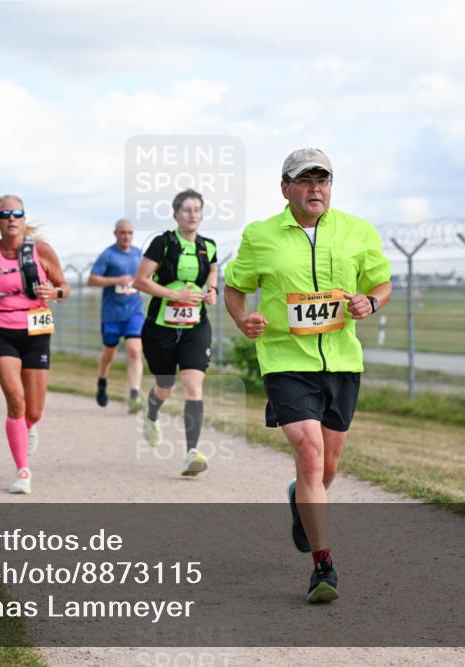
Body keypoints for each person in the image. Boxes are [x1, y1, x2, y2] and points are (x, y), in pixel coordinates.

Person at [223, 148, 392, 603]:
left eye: (323, 179)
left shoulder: (358, 231)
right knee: (311, 453)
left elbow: (381, 282)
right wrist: (243, 320)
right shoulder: (261, 235)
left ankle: (302, 496)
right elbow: (235, 288)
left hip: (341, 363)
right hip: (285, 361)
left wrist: (370, 302)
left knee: (326, 468)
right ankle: (324, 568)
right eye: (305, 180)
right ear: (285, 188)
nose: (315, 187)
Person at [0, 195, 69, 494]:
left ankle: (29, 426)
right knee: (16, 400)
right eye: (5, 214)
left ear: (24, 219)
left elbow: (65, 288)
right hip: (1, 329)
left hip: (36, 330)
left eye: (17, 213)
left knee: (34, 411)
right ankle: (22, 471)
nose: (11, 218)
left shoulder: (40, 250)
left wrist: (55, 293)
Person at [133, 189, 218, 477]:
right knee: (165, 386)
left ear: (202, 215)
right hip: (161, 328)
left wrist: (213, 292)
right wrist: (174, 293)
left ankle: (191, 452)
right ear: (176, 214)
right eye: (186, 210)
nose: (192, 214)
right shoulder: (163, 243)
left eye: (197, 210)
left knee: (193, 385)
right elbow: (140, 281)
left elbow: (213, 272)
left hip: (195, 326)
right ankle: (152, 413)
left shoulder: (209, 246)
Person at [87, 218, 145, 412]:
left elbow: (148, 277)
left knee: (135, 350)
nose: (126, 236)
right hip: (112, 314)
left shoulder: (138, 255)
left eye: (129, 233)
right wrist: (117, 280)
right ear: (115, 234)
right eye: (123, 233)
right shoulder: (108, 255)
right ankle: (102, 381)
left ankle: (134, 394)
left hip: (134, 311)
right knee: (109, 354)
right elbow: (92, 280)